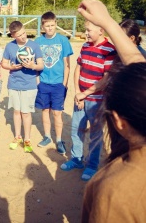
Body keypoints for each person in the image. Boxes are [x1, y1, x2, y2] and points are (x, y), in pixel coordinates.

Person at [76, 0, 146, 222]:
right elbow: (137, 65)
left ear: (119, 122)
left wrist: (107, 22)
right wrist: (106, 21)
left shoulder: (116, 193)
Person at [60, 19, 116, 181]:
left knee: (95, 134)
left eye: (88, 30)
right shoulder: (85, 46)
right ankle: (76, 159)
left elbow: (105, 79)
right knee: (76, 129)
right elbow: (78, 68)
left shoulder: (109, 50)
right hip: (81, 98)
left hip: (97, 101)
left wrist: (85, 94)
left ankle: (91, 165)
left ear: (101, 31)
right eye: (85, 30)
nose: (86, 33)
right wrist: (78, 93)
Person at [2, 21, 44, 153]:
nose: (23, 36)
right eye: (19, 35)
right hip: (14, 83)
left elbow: (41, 65)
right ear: (13, 35)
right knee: (16, 112)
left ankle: (27, 139)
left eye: (24, 33)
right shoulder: (10, 47)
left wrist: (32, 66)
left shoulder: (34, 45)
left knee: (26, 113)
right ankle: (17, 137)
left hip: (29, 84)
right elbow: (4, 64)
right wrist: (11, 67)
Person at [35, 11, 73, 154]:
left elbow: (67, 64)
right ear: (42, 26)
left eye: (52, 25)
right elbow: (36, 62)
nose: (50, 28)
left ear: (56, 24)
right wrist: (38, 80)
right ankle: (46, 136)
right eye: (47, 26)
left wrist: (64, 83)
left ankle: (58, 139)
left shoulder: (63, 41)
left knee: (57, 113)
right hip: (43, 82)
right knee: (45, 110)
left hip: (58, 84)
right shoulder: (38, 42)